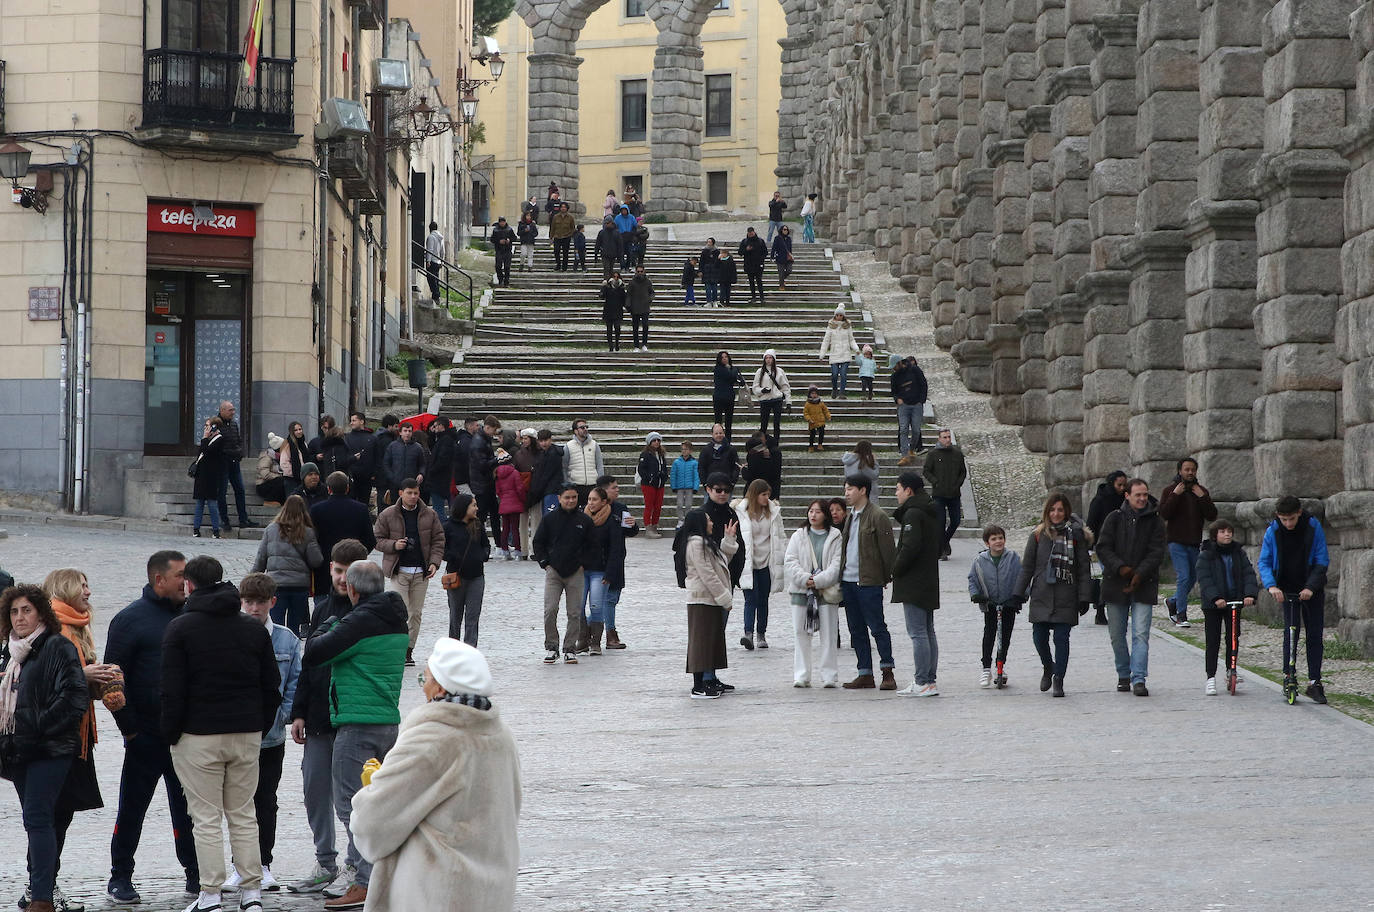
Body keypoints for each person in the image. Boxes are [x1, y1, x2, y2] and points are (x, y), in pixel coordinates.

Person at [349, 638, 521, 912]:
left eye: (424, 678)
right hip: (491, 892)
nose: (422, 686)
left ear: (440, 686)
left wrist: (372, 789)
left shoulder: (431, 739)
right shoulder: (501, 736)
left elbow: (373, 825)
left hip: (434, 891)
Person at [161, 556, 280, 912]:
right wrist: (258, 724)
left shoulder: (180, 629)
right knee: (244, 813)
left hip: (198, 734)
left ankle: (211, 893)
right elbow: (271, 686)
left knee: (206, 817)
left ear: (189, 586)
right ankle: (251, 892)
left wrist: (171, 734)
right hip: (245, 732)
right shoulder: (253, 629)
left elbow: (170, 690)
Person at [301, 560, 408, 911]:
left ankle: (364, 881)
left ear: (352, 589)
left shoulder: (360, 622)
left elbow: (315, 653)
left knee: (353, 807)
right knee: (378, 804)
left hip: (357, 724)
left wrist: (330, 622)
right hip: (387, 723)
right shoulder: (395, 617)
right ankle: (383, 876)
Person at [104, 551, 200, 905]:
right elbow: (112, 680)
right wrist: (129, 730)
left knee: (189, 811)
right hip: (144, 734)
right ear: (159, 579)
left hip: (185, 735)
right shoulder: (129, 620)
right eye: (179, 576)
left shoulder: (191, 616)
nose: (185, 583)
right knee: (132, 809)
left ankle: (195, 874)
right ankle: (120, 876)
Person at [287, 538, 370, 897]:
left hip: (353, 718)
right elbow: (309, 663)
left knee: (354, 797)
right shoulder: (321, 608)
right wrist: (299, 711)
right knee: (315, 790)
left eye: (348, 573)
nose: (342, 579)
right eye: (337, 571)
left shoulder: (371, 612)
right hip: (320, 716)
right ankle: (325, 861)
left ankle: (356, 865)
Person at [0, 585, 88, 912]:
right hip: (18, 751)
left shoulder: (57, 646)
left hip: (50, 749)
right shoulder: (10, 651)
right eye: (14, 611)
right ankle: (39, 892)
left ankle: (41, 899)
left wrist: (36, 726)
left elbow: (73, 697)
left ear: (40, 613)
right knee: (35, 819)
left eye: (26, 610)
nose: (20, 617)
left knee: (38, 817)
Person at [39, 570, 118, 910]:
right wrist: (81, 675)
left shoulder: (78, 624)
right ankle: (40, 887)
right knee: (50, 816)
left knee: (62, 815)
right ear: (65, 588)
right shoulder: (51, 626)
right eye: (82, 584)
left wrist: (103, 683)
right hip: (55, 737)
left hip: (78, 735)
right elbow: (38, 679)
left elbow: (76, 682)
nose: (88, 590)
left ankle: (45, 883)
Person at [224, 573, 301, 895]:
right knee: (236, 802)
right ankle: (239, 865)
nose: (254, 608)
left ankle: (263, 863)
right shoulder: (228, 635)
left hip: (270, 737)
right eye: (248, 602)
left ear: (272, 603)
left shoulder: (286, 641)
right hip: (235, 733)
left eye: (260, 602)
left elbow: (294, 684)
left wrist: (282, 717)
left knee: (265, 800)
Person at [1014, 493, 1094, 697]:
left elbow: (1084, 569)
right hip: (1041, 593)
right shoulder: (1038, 535)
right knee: (1039, 637)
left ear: (1066, 511)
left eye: (1060, 510)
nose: (1056, 514)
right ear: (1047, 512)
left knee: (1061, 638)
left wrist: (1085, 596)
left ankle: (1059, 678)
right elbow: (1027, 567)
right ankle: (1048, 666)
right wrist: (1018, 593)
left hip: (1067, 594)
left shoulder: (1076, 536)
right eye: (1052, 510)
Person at [1096, 479, 1167, 696]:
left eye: (1145, 494)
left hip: (1144, 583)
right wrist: (1121, 568)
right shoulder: (1114, 518)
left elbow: (1157, 551)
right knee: (1117, 634)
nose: (1142, 498)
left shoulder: (1155, 521)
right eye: (1138, 495)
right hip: (1116, 582)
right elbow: (1103, 547)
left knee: (1140, 634)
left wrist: (1139, 573)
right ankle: (1124, 674)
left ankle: (1139, 678)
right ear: (1127, 495)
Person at [1257, 495, 1331, 704]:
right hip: (1286, 587)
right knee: (1291, 633)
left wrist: (1310, 586)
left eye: (1291, 519)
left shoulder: (1312, 527)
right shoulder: (1273, 531)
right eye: (1283, 519)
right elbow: (1264, 560)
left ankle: (1315, 681)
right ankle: (1289, 675)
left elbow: (1321, 559)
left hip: (1310, 587)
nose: (1288, 523)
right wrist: (1271, 585)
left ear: (1299, 513)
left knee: (1314, 635)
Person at [374, 478, 445, 665]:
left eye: (416, 493)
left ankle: (408, 650)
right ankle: (397, 647)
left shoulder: (430, 514)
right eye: (409, 493)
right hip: (399, 571)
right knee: (400, 611)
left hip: (421, 572)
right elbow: (377, 539)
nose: (413, 496)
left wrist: (434, 563)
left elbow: (438, 540)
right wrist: (393, 545)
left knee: (416, 613)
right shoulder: (388, 514)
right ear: (401, 493)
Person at [839, 474, 897, 690]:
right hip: (848, 580)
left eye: (850, 489)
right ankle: (864, 673)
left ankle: (887, 671)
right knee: (856, 629)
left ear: (863, 490)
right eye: (845, 489)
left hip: (869, 581)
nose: (846, 493)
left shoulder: (877, 515)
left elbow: (888, 550)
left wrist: (885, 576)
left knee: (877, 627)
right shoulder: (850, 515)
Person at [891, 472, 942, 696]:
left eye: (898, 488)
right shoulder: (930, 510)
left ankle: (922, 681)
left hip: (914, 580)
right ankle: (929, 680)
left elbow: (909, 548)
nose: (896, 493)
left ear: (909, 490)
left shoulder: (913, 513)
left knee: (918, 632)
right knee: (928, 630)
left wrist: (894, 569)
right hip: (929, 577)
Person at [783, 499, 843, 687]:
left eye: (817, 511)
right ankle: (801, 675)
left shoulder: (835, 536)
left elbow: (836, 565)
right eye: (810, 511)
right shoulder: (798, 536)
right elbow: (790, 561)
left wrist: (817, 581)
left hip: (826, 593)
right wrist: (805, 579)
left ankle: (829, 676)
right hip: (801, 593)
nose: (813, 515)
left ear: (825, 514)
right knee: (800, 633)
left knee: (828, 634)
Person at [1195, 519, 1258, 696]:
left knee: (1233, 637)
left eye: (1229, 531)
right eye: (1223, 532)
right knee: (1212, 640)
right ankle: (1210, 677)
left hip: (1234, 602)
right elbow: (1205, 578)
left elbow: (1248, 573)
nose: (1227, 534)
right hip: (1213, 604)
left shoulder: (1238, 553)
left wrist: (1250, 594)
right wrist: (1215, 597)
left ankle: (1232, 669)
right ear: (1215, 535)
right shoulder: (1206, 554)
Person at [532, 485, 594, 664]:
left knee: (574, 613)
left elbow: (593, 546)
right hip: (554, 571)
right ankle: (552, 646)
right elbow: (538, 542)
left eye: (574, 497)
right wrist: (545, 563)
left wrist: (584, 564)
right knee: (550, 610)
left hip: (576, 572)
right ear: (559, 498)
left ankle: (569, 648)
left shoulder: (584, 520)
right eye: (567, 497)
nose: (571, 500)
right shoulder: (549, 519)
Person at [681, 508, 739, 699]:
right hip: (702, 599)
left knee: (712, 640)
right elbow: (708, 574)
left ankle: (710, 680)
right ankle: (698, 686)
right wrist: (724, 597)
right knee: (701, 642)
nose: (712, 523)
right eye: (708, 520)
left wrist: (729, 540)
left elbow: (720, 564)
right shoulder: (696, 544)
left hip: (710, 599)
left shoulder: (705, 543)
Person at [1158, 457, 1218, 628]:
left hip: (1194, 541)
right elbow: (1164, 514)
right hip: (1176, 541)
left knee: (1192, 577)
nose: (1190, 472)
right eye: (1187, 469)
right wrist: (1175, 495)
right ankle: (1180, 615)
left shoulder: (1201, 491)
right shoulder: (1170, 490)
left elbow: (1212, 515)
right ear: (1180, 471)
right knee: (1183, 576)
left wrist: (1202, 497)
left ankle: (1173, 601)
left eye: (1193, 469)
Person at [252, 495, 325, 634]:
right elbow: (316, 561)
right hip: (299, 586)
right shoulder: (308, 532)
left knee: (276, 625)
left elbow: (261, 558)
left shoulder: (271, 529)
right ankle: (292, 652)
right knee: (294, 626)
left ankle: (276, 652)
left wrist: (252, 579)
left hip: (276, 584)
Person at [966, 524, 1022, 689]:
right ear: (987, 543)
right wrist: (976, 594)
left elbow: (1022, 576)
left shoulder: (1013, 558)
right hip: (990, 603)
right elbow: (973, 579)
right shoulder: (979, 561)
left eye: (1000, 538)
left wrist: (1021, 595)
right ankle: (986, 667)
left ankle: (1000, 664)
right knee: (989, 634)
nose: (998, 541)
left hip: (1009, 603)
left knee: (1005, 636)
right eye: (994, 539)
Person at [308, 472, 376, 603]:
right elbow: (370, 540)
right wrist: (357, 555)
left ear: (328, 489)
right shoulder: (361, 509)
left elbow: (311, 540)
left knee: (323, 610)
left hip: (324, 567)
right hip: (353, 566)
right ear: (348, 488)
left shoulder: (316, 509)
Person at [734, 479, 784, 651]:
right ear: (755, 495)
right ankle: (748, 634)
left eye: (768, 494)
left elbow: (780, 536)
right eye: (763, 494)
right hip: (748, 561)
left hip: (766, 561)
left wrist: (779, 557)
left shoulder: (773, 512)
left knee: (763, 599)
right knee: (750, 599)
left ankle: (761, 634)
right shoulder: (742, 512)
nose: (767, 498)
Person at [595, 475, 639, 651]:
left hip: (617, 559)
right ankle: (608, 634)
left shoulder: (620, 508)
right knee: (605, 600)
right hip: (598, 561)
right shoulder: (592, 508)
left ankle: (600, 633)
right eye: (614, 487)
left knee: (611, 598)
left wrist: (633, 525)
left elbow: (630, 532)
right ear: (604, 491)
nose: (617, 490)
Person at [442, 494, 491, 646]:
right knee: (455, 616)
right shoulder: (448, 526)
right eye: (473, 505)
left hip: (476, 577)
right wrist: (453, 557)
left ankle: (470, 649)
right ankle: (453, 647)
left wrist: (483, 555)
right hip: (456, 576)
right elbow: (442, 549)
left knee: (473, 616)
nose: (476, 508)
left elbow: (486, 545)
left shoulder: (477, 524)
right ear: (464, 507)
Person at [1085, 470, 1128, 625]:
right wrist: (1091, 546)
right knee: (1102, 578)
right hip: (1100, 547)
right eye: (1119, 485)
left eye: (1124, 485)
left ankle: (1116, 609)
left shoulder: (1125, 500)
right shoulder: (1099, 501)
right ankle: (1100, 609)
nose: (1122, 488)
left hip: (1121, 546)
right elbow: (1091, 524)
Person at [579, 487, 615, 655]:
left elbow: (615, 550)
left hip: (599, 571)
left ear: (603, 501)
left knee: (596, 606)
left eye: (594, 500)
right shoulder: (581, 519)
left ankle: (595, 642)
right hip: (580, 570)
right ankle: (582, 639)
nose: (591, 503)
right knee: (577, 606)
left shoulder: (610, 521)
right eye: (589, 500)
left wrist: (610, 572)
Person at [922, 429, 967, 560]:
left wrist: (958, 483)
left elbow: (962, 472)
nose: (947, 439)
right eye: (944, 437)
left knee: (956, 521)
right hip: (939, 494)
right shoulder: (933, 454)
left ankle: (943, 543)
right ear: (939, 439)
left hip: (954, 494)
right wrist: (935, 482)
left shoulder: (957, 454)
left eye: (949, 437)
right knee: (940, 522)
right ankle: (942, 549)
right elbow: (926, 471)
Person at [215, 401, 255, 532]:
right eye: (230, 410)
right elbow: (216, 446)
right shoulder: (216, 425)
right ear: (222, 411)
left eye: (233, 410)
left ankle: (243, 519)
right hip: (222, 463)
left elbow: (238, 440)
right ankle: (224, 520)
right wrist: (231, 452)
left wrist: (240, 452)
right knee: (222, 492)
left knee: (240, 490)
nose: (233, 412)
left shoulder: (233, 424)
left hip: (234, 462)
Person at [467, 416, 502, 543]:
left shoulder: (483, 439)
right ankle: (477, 542)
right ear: (487, 427)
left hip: (486, 483)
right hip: (482, 484)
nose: (494, 433)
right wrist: (498, 460)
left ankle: (498, 543)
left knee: (494, 514)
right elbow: (482, 464)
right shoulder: (479, 442)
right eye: (494, 430)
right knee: (482, 515)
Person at [191, 416, 226, 538]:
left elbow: (207, 452)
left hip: (211, 476)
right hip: (202, 475)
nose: (205, 428)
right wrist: (205, 439)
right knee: (199, 502)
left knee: (212, 503)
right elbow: (201, 452)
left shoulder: (219, 440)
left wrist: (205, 438)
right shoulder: (208, 439)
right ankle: (196, 529)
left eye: (208, 426)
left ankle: (216, 530)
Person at [892, 355, 928, 465]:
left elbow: (923, 384)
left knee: (916, 430)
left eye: (894, 366)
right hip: (903, 406)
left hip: (916, 405)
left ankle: (912, 449)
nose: (893, 369)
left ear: (900, 363)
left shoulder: (915, 370)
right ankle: (905, 455)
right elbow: (893, 391)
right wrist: (897, 399)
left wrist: (921, 400)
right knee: (903, 429)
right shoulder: (894, 376)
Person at [423, 417, 459, 525]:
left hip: (441, 480)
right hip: (442, 480)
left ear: (441, 426)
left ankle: (444, 530)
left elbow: (442, 460)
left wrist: (432, 470)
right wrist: (432, 434)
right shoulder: (442, 439)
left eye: (435, 426)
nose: (433, 428)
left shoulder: (446, 440)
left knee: (439, 511)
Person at [819, 305, 860, 398]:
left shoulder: (847, 326)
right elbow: (826, 340)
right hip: (834, 353)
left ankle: (842, 392)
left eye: (840, 315)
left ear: (843, 316)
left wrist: (856, 349)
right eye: (837, 315)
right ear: (835, 315)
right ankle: (834, 389)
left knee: (843, 374)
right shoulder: (830, 326)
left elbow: (851, 339)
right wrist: (822, 354)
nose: (839, 317)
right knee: (834, 374)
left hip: (845, 353)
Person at [562, 418, 605, 506]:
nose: (585, 429)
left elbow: (599, 465)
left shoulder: (594, 445)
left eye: (586, 427)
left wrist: (600, 483)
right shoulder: (568, 446)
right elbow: (564, 467)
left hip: (592, 484)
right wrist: (567, 484)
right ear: (575, 431)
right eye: (582, 427)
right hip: (575, 485)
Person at [752, 349, 791, 442]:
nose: (768, 360)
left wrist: (789, 402)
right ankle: (762, 443)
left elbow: (785, 387)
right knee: (763, 424)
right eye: (766, 358)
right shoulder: (759, 372)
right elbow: (755, 387)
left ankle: (776, 443)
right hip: (765, 400)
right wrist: (762, 390)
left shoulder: (780, 371)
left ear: (774, 359)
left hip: (777, 400)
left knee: (776, 423)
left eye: (770, 358)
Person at [382, 423, 427, 506]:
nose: (407, 433)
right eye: (405, 431)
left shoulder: (418, 447)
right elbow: (386, 463)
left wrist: (421, 474)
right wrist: (392, 477)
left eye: (409, 431)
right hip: (396, 484)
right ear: (400, 432)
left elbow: (422, 464)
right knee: (396, 508)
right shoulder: (392, 446)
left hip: (411, 484)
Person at [494, 450, 527, 559]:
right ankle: (517, 551)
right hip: (515, 504)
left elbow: (498, 491)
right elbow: (520, 488)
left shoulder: (497, 475)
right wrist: (523, 499)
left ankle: (505, 551)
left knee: (505, 528)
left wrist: (503, 499)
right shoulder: (514, 472)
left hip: (504, 504)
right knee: (515, 528)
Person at [528, 428, 565, 526]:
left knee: (551, 519)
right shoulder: (544, 453)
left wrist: (536, 491)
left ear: (550, 439)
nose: (544, 443)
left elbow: (546, 475)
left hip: (552, 490)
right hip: (547, 491)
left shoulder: (553, 454)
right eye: (541, 441)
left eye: (546, 440)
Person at [638, 432, 669, 538]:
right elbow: (641, 469)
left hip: (660, 484)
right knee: (649, 506)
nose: (656, 442)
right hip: (649, 484)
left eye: (658, 440)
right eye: (654, 440)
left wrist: (664, 476)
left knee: (658, 506)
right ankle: (648, 528)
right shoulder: (645, 454)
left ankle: (655, 526)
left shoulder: (661, 454)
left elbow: (664, 467)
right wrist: (650, 478)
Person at [342, 413, 376, 508]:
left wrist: (374, 474)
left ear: (362, 422)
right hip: (351, 476)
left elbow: (376, 457)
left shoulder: (372, 438)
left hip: (366, 478)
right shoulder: (346, 438)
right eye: (351, 420)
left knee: (363, 504)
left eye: (354, 420)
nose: (351, 423)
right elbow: (343, 457)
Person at [366, 415, 400, 511]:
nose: (398, 429)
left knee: (383, 501)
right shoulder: (387, 440)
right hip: (386, 476)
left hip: (380, 475)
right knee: (386, 501)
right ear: (389, 426)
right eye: (396, 426)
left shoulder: (378, 437)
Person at [697, 424, 740, 498]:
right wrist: (705, 483)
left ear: (724, 433)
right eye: (716, 433)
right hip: (711, 487)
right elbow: (701, 467)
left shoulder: (731, 450)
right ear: (712, 434)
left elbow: (736, 467)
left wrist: (732, 482)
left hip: (726, 487)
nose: (719, 435)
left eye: (720, 433)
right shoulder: (706, 450)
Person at [712, 351, 744, 438]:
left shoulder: (733, 369)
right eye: (722, 357)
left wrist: (735, 372)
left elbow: (741, 381)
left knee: (729, 421)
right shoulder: (718, 369)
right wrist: (734, 371)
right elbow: (730, 376)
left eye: (726, 357)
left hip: (729, 397)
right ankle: (717, 438)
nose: (725, 359)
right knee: (718, 421)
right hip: (719, 397)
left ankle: (728, 441)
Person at [670, 441, 700, 529]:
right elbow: (673, 475)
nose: (684, 451)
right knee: (679, 504)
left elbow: (696, 475)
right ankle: (680, 519)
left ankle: (687, 519)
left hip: (689, 487)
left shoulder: (694, 463)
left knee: (688, 505)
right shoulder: (676, 462)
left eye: (686, 449)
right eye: (682, 449)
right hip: (679, 487)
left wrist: (695, 486)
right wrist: (673, 486)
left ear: (690, 451)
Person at [256, 432, 290, 505]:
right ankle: (269, 500)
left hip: (273, 483)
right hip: (263, 485)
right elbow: (265, 474)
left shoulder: (282, 458)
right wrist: (280, 476)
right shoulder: (266, 457)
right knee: (281, 480)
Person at [627, 264, 654, 352]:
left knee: (645, 326)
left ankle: (644, 344)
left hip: (645, 307)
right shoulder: (632, 282)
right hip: (635, 308)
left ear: (644, 271)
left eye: (641, 271)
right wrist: (628, 305)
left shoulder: (648, 282)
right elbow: (628, 295)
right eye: (638, 271)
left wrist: (649, 299)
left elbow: (652, 293)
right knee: (635, 328)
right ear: (635, 272)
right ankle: (636, 346)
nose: (639, 273)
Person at [738, 227, 768, 304]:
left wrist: (761, 259)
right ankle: (753, 297)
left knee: (759, 281)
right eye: (749, 233)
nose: (751, 234)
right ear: (747, 233)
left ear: (754, 232)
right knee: (751, 282)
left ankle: (762, 297)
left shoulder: (760, 241)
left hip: (758, 265)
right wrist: (746, 250)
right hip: (749, 265)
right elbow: (740, 252)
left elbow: (765, 252)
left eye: (752, 233)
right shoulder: (744, 242)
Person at [803, 385, 831, 452]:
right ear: (809, 395)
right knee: (812, 434)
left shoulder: (820, 403)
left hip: (821, 421)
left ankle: (820, 444)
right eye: (812, 393)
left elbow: (825, 410)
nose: (814, 395)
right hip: (812, 422)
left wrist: (828, 416)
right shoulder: (807, 404)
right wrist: (809, 419)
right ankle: (811, 446)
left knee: (821, 433)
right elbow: (805, 413)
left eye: (815, 393)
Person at [549, 203, 575, 271]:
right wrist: (551, 237)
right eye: (562, 207)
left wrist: (570, 234)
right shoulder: (556, 217)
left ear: (567, 208)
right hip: (557, 236)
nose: (563, 208)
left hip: (566, 237)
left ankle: (564, 266)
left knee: (565, 253)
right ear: (560, 208)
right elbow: (552, 227)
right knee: (556, 251)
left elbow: (573, 227)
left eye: (564, 207)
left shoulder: (570, 217)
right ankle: (558, 264)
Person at [490, 217, 515, 286]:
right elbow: (492, 239)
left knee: (507, 267)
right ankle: (500, 279)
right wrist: (499, 241)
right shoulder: (495, 230)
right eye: (501, 222)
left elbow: (514, 238)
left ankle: (506, 281)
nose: (502, 223)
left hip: (507, 250)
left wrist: (509, 240)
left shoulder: (509, 229)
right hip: (499, 250)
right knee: (498, 266)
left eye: (503, 222)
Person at [424, 221, 445, 302]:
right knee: (435, 279)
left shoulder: (431, 237)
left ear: (430, 228)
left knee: (430, 278)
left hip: (432, 261)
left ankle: (435, 295)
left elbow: (430, 249)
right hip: (438, 261)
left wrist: (428, 261)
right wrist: (442, 261)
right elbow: (443, 251)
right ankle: (436, 295)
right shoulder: (440, 238)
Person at [771, 224, 794, 289]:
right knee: (781, 272)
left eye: (786, 229)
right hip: (780, 258)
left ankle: (782, 279)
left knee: (789, 270)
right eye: (784, 229)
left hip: (788, 258)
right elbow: (774, 248)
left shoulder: (789, 239)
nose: (785, 231)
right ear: (781, 230)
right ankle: (781, 286)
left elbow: (789, 248)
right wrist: (772, 256)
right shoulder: (777, 238)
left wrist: (791, 255)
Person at [699, 238, 721, 305]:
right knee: (707, 288)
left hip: (714, 271)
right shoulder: (704, 251)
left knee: (714, 288)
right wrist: (700, 271)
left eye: (710, 242)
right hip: (706, 271)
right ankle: (708, 301)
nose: (708, 243)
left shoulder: (717, 251)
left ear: (713, 243)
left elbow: (719, 262)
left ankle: (715, 301)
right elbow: (701, 262)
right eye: (707, 242)